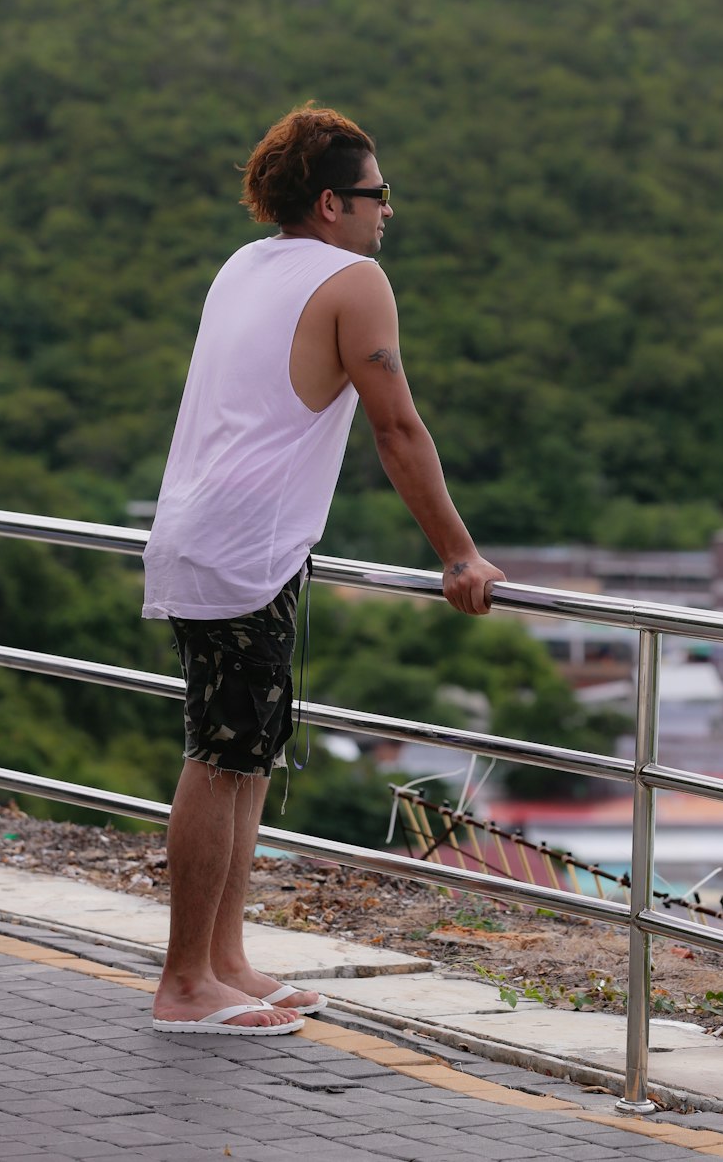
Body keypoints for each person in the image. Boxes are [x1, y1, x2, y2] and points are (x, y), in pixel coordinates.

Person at [142, 104, 505, 1034]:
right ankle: (184, 984)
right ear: (335, 202)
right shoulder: (356, 280)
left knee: (247, 756)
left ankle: (223, 961)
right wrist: (458, 554)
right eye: (380, 194)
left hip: (215, 534)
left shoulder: (245, 263)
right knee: (220, 759)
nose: (390, 211)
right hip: (240, 548)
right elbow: (397, 427)